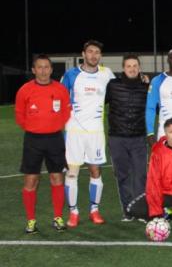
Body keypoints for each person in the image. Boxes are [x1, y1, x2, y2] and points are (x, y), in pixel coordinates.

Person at [61, 40, 116, 227]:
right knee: (72, 173)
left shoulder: (106, 74)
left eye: (97, 52)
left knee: (95, 170)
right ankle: (73, 212)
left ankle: (94, 210)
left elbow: (120, 89)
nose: (93, 55)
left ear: (100, 56)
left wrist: (141, 80)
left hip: (95, 132)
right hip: (74, 131)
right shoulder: (71, 75)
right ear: (83, 54)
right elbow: (60, 99)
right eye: (90, 52)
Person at [15, 54, 72, 233]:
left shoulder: (61, 89)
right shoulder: (25, 90)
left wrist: (53, 126)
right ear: (33, 70)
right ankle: (31, 220)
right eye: (39, 67)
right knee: (31, 179)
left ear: (51, 69)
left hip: (55, 139)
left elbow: (66, 112)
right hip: (33, 140)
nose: (43, 71)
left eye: (46, 67)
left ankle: (57, 217)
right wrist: (35, 127)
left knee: (57, 178)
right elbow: (20, 116)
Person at [106, 54, 149, 221]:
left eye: (135, 66)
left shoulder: (146, 87)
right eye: (129, 66)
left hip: (138, 138)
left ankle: (140, 210)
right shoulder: (113, 85)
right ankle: (128, 210)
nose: (132, 69)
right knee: (123, 176)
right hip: (117, 138)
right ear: (123, 68)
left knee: (140, 175)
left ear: (139, 68)